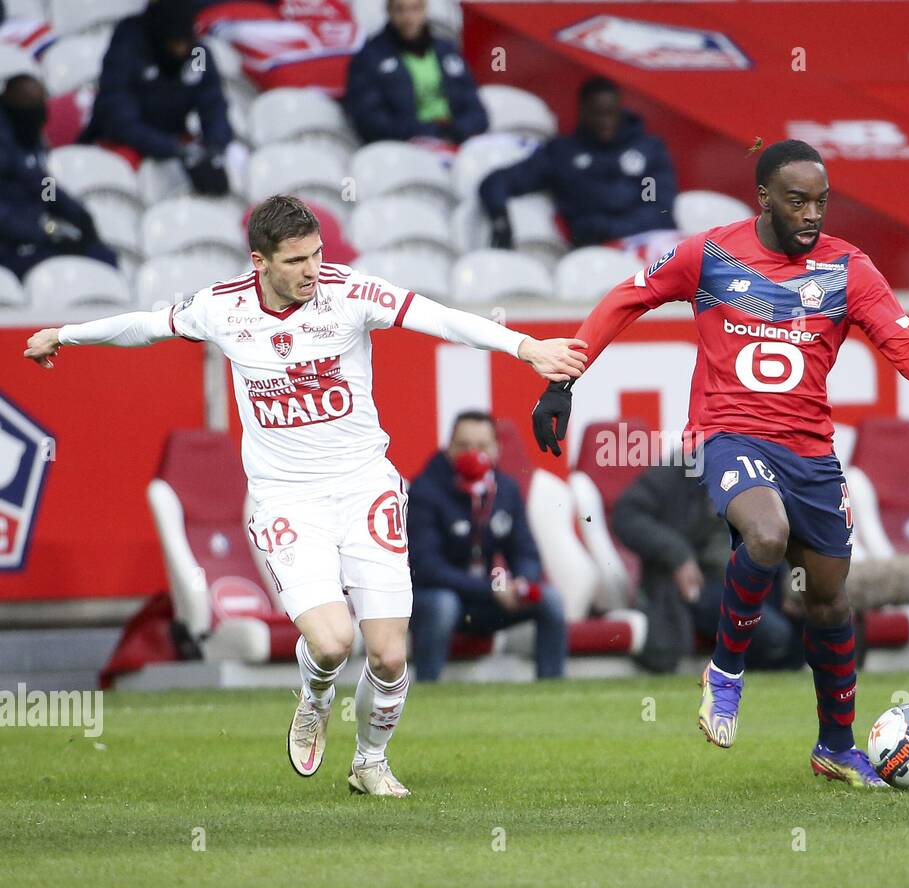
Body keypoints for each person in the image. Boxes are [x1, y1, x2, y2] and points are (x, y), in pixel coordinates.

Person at [23, 195, 585, 797]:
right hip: (288, 499)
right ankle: (315, 698)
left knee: (391, 655)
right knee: (332, 641)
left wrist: (527, 348)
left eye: (317, 254)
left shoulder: (349, 294)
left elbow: (439, 317)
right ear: (260, 260)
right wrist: (67, 334)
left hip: (365, 487)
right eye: (295, 261)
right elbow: (145, 326)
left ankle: (370, 761)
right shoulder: (223, 308)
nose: (312, 270)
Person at [531, 139, 909, 788]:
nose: (812, 214)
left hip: (809, 453)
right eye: (798, 200)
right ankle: (725, 669)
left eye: (822, 203)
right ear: (764, 198)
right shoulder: (710, 254)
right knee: (767, 535)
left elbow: (900, 340)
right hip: (730, 436)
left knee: (829, 602)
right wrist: (564, 380)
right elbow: (624, 299)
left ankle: (835, 744)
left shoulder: (848, 268)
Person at [407, 411, 567, 681]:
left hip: (487, 601)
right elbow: (427, 568)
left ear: (496, 449)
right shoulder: (424, 490)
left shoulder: (505, 490)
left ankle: (552, 690)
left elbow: (526, 551)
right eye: (463, 446)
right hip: (438, 599)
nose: (472, 453)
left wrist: (522, 583)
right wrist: (493, 590)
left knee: (550, 600)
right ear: (449, 447)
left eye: (481, 446)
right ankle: (428, 690)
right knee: (443, 604)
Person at [611, 462, 803, 675]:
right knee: (775, 634)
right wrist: (678, 555)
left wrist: (789, 582)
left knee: (805, 616)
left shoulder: (755, 472)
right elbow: (626, 514)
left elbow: (780, 531)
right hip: (701, 584)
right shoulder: (679, 470)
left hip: (752, 575)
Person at [478, 76, 678, 255]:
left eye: (610, 113)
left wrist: (609, 228)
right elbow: (496, 181)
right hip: (597, 256)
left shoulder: (649, 150)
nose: (605, 122)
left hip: (652, 244)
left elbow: (660, 211)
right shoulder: (563, 154)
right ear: (583, 112)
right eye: (598, 114)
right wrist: (500, 219)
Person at [80, 0, 236, 196]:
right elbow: (119, 120)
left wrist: (214, 147)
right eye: (175, 44)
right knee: (123, 175)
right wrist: (173, 148)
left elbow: (214, 105)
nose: (181, 50)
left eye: (186, 42)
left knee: (229, 162)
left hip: (173, 139)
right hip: (123, 142)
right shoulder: (128, 48)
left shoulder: (196, 54)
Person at [0, 74, 117, 279]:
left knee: (101, 255)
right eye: (28, 104)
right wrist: (46, 230)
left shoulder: (30, 139)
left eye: (39, 103)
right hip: (9, 247)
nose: (36, 112)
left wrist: (79, 216)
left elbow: (43, 185)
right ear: (9, 103)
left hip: (37, 238)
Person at [344, 0, 487, 146]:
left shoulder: (447, 52)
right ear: (388, 11)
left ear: (425, 10)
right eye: (400, 10)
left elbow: (476, 110)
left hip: (456, 141)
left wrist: (457, 130)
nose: (408, 17)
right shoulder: (369, 58)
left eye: (415, 9)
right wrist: (427, 131)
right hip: (405, 147)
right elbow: (369, 121)